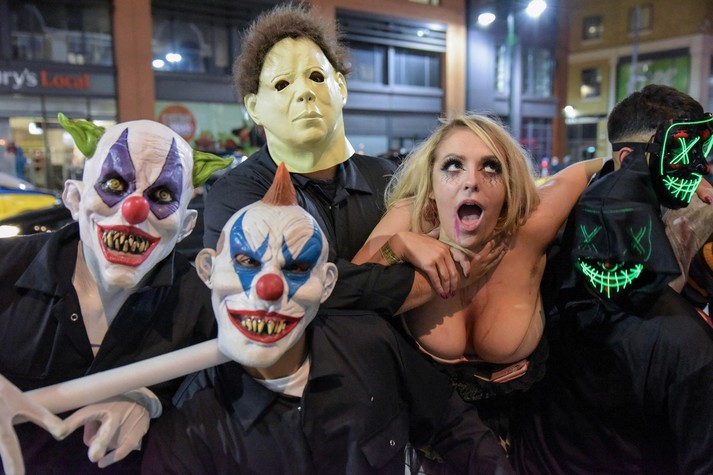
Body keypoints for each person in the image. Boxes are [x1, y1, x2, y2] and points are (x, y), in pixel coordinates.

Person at [141, 164, 514, 475]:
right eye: (246, 261)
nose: (269, 288)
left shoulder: (370, 344)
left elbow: (454, 427)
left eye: (297, 268)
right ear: (208, 270)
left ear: (327, 283)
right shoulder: (187, 427)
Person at [203, 3, 500, 318]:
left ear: (340, 87)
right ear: (254, 107)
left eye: (316, 76)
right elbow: (291, 288)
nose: (304, 92)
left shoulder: (387, 179)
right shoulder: (237, 195)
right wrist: (432, 266)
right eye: (282, 84)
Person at [351, 114, 604, 442]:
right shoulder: (412, 217)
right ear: (431, 183)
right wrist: (398, 246)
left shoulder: (531, 225)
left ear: (510, 185)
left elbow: (604, 164)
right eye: (453, 165)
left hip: (526, 428)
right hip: (430, 430)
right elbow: (349, 290)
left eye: (491, 167)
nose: (471, 181)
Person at [0, 113, 230, 473]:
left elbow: (216, 403)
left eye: (162, 195)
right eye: (113, 184)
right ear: (75, 199)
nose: (134, 210)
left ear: (185, 227)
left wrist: (151, 400)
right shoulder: (6, 266)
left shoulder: (204, 306)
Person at [509, 84, 713, 474]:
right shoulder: (543, 241)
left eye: (700, 151)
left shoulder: (551, 254)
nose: (698, 166)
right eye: (681, 152)